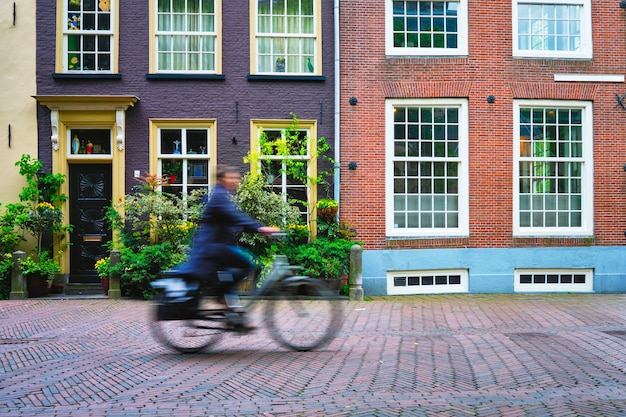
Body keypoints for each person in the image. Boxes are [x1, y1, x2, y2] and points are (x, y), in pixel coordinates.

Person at [177, 165, 279, 308]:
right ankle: (221, 295)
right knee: (248, 264)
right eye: (231, 178)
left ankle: (230, 308)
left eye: (236, 178)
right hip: (214, 248)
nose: (236, 180)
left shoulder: (222, 195)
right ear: (221, 179)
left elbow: (233, 220)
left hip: (217, 247)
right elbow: (236, 217)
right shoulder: (219, 197)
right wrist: (260, 228)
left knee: (228, 274)